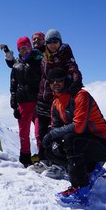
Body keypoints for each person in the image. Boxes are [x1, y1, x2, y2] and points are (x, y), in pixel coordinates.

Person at [42, 67, 106, 204]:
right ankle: (90, 170)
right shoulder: (56, 103)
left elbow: (78, 126)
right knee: (51, 148)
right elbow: (56, 127)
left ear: (65, 80)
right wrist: (53, 140)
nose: (56, 84)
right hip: (87, 143)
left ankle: (80, 187)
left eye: (59, 80)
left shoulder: (81, 96)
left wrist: (53, 134)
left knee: (71, 139)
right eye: (52, 81)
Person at [32, 29, 83, 172]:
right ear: (46, 44)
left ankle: (59, 162)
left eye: (55, 42)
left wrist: (77, 81)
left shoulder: (64, 53)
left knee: (56, 130)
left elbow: (73, 68)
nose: (53, 45)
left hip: (58, 99)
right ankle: (43, 160)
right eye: (50, 42)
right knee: (42, 131)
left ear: (60, 42)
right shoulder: (44, 55)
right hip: (42, 98)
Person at [9, 36, 42, 167]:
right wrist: (14, 105)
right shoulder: (16, 66)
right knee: (23, 132)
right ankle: (25, 157)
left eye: (26, 47)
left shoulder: (38, 62)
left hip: (39, 102)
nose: (24, 50)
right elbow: (13, 86)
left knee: (40, 132)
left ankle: (43, 157)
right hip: (23, 102)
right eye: (21, 48)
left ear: (30, 47)